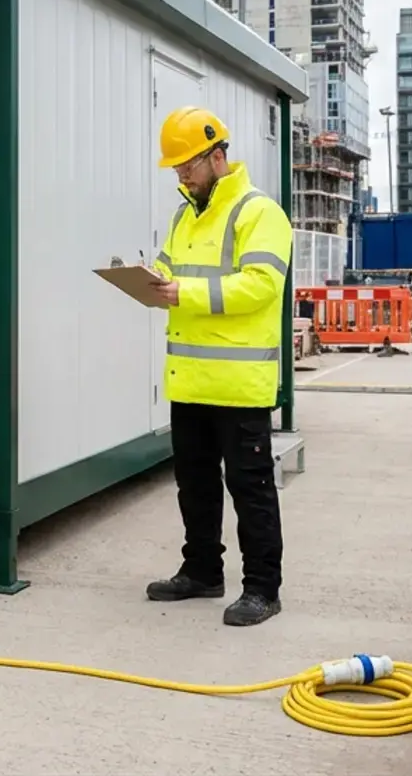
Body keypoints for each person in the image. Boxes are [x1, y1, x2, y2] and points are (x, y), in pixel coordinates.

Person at [144, 105, 293, 627]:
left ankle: (263, 589)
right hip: (191, 381)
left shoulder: (260, 213)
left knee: (250, 490)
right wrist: (145, 278)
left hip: (240, 385)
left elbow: (261, 286)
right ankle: (202, 571)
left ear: (217, 155)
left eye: (187, 164)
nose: (181, 174)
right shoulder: (185, 216)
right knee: (195, 486)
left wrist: (181, 291)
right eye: (176, 166)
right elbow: (168, 268)